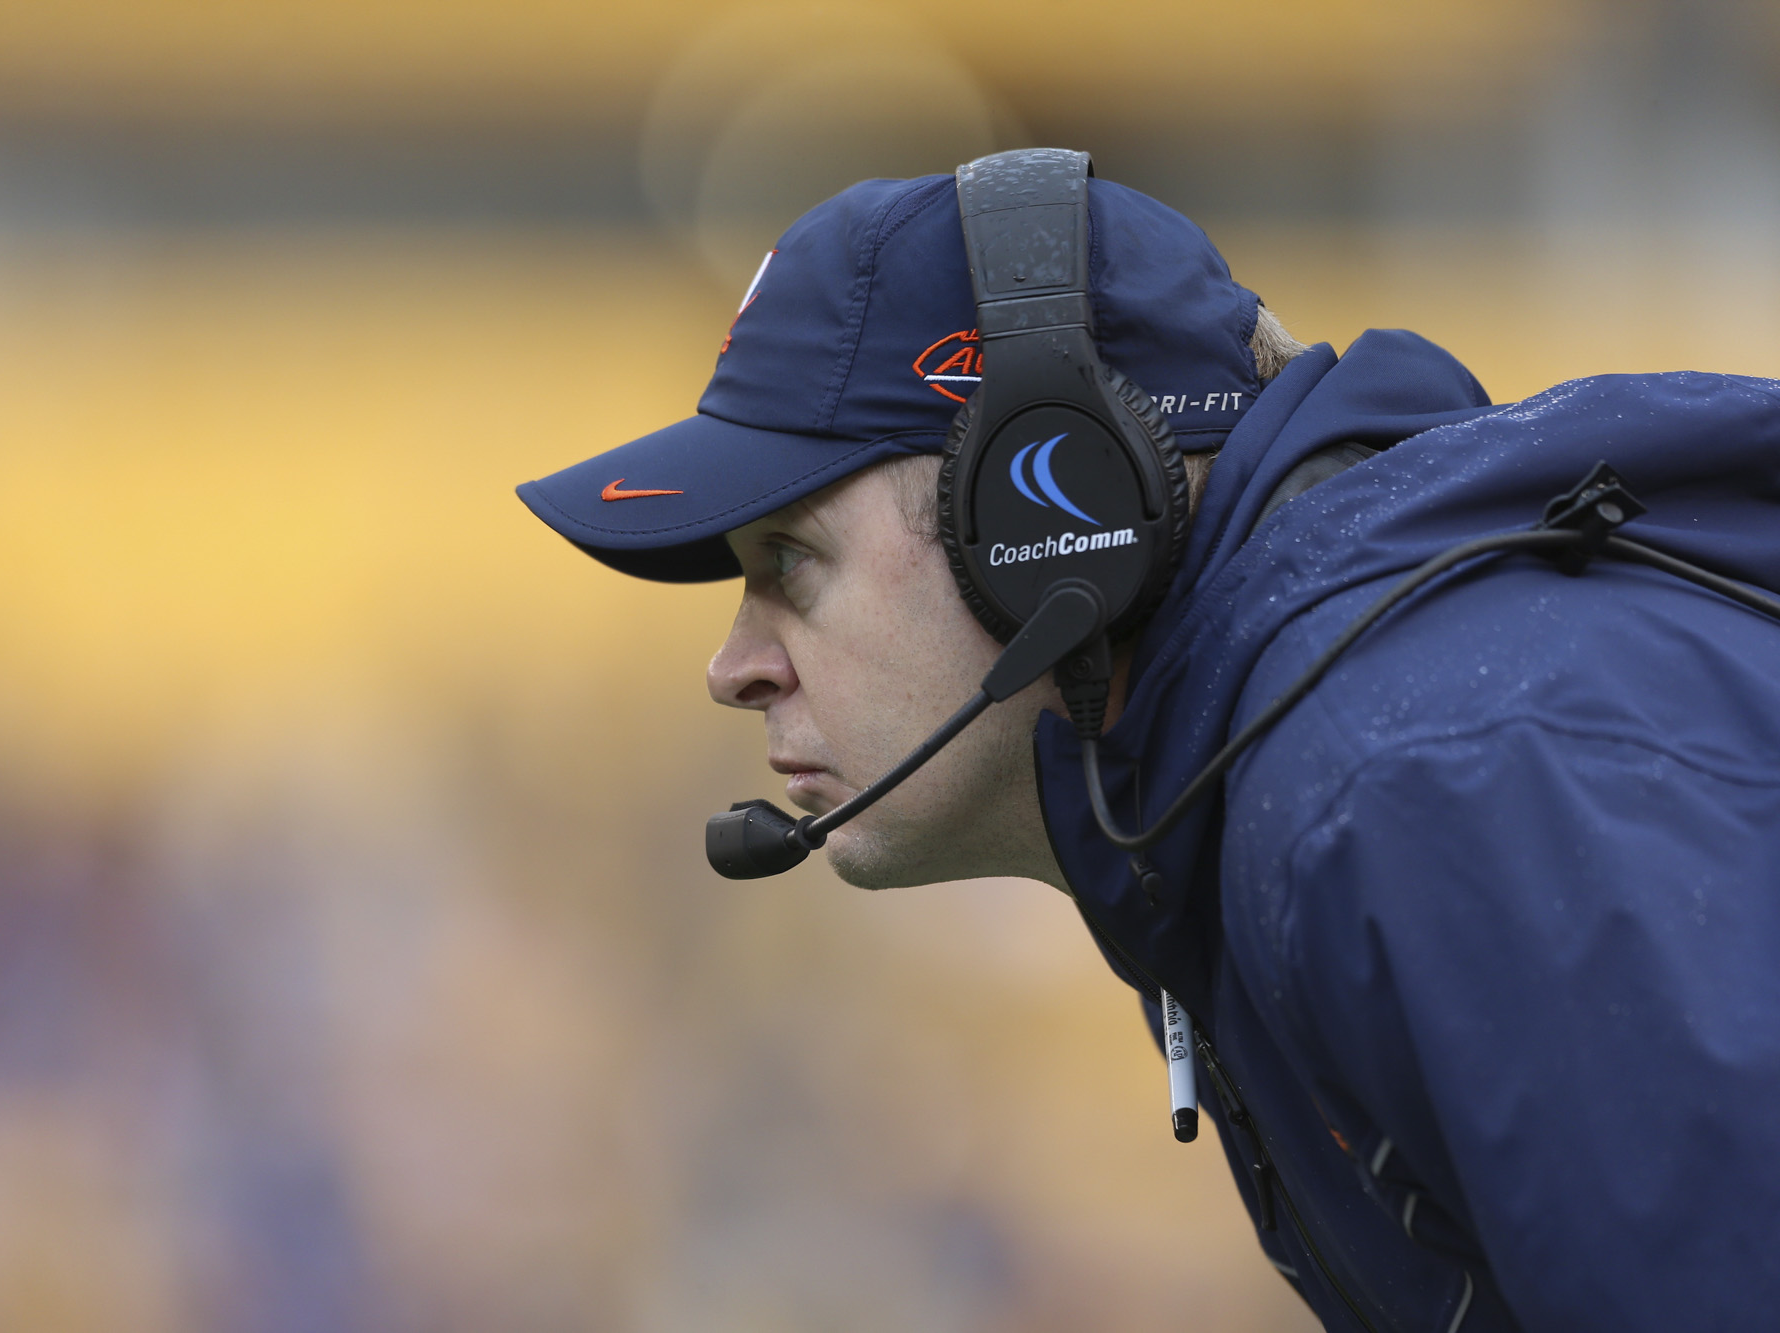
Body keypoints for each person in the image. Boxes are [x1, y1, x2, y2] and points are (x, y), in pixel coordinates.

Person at [515, 157, 1780, 1332]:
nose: (734, 667)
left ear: (1040, 505)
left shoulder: (1410, 781)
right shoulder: (1281, 769)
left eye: (788, 560)